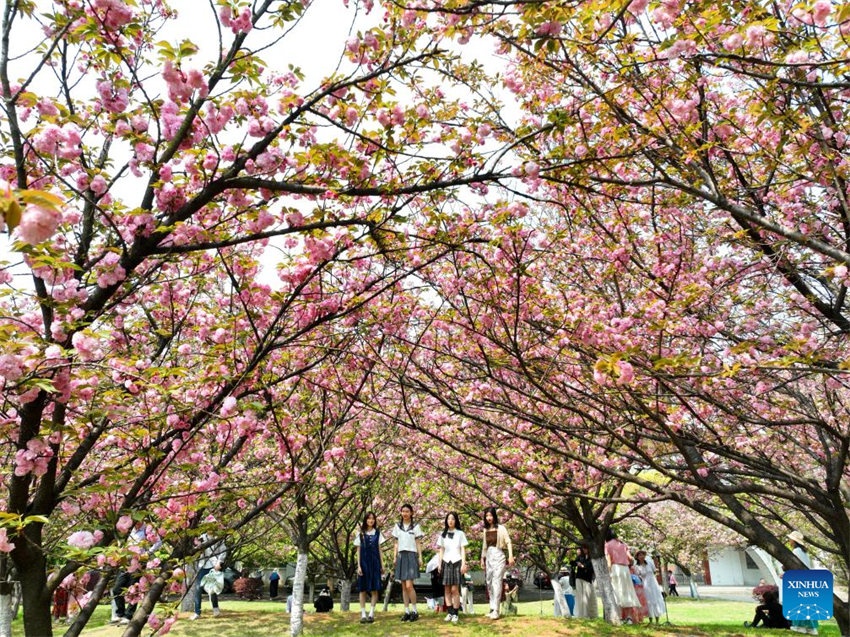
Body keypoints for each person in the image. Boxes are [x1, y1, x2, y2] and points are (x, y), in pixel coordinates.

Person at [111, 520, 162, 625]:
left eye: (138, 521)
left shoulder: (147, 529)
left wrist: (147, 553)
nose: (136, 523)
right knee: (117, 588)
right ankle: (120, 614)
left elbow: (158, 542)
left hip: (139, 561)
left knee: (134, 589)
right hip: (126, 561)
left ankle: (128, 615)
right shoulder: (129, 529)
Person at [480, 506, 514, 620]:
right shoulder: (485, 530)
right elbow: (484, 546)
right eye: (487, 516)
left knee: (497, 581)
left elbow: (508, 542)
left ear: (494, 516)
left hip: (499, 556)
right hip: (489, 557)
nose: (489, 518)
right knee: (489, 582)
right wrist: (482, 559)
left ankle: (496, 610)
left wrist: (510, 556)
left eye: (490, 515)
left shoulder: (501, 528)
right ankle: (491, 607)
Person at [392, 503, 424, 623]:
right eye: (403, 511)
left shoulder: (415, 526)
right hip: (401, 555)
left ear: (411, 513)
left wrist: (420, 557)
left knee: (410, 586)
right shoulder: (397, 526)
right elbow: (395, 543)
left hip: (411, 555)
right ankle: (406, 611)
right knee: (404, 587)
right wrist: (395, 557)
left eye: (407, 511)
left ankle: (414, 611)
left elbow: (418, 543)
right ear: (401, 513)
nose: (405, 513)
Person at [355, 511, 386, 624]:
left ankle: (371, 613)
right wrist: (358, 566)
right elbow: (358, 550)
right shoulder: (360, 533)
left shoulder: (378, 533)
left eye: (373, 518)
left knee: (374, 589)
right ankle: (363, 614)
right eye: (369, 518)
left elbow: (380, 550)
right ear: (365, 520)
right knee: (362, 589)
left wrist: (382, 565)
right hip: (363, 564)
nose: (371, 520)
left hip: (375, 564)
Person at [437, 512, 468, 624]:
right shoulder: (442, 534)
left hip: (457, 562)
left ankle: (455, 613)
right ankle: (449, 613)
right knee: (446, 589)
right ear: (446, 521)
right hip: (446, 562)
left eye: (453, 519)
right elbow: (441, 550)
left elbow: (463, 549)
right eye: (449, 519)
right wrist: (439, 564)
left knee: (455, 590)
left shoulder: (460, 533)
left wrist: (463, 564)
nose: (450, 521)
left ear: (456, 521)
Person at [788, 531, 818, 635]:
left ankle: (800, 626)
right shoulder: (804, 552)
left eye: (790, 539)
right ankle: (810, 628)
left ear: (794, 541)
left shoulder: (796, 551)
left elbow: (794, 566)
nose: (789, 540)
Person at [605, 529, 641, 617]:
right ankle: (628, 617)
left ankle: (619, 616)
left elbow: (608, 560)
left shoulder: (607, 545)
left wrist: (608, 572)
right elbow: (631, 558)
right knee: (627, 592)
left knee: (616, 592)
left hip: (615, 568)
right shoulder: (623, 544)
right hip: (625, 569)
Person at [190, 533, 225, 620]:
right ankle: (197, 612)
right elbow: (196, 551)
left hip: (213, 565)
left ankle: (215, 608)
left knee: (212, 589)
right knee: (198, 588)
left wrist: (219, 562)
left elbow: (223, 550)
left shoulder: (218, 537)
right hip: (202, 565)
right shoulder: (201, 537)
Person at [634, 551, 665, 623]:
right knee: (648, 600)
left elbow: (655, 571)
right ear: (637, 557)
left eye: (643, 555)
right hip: (645, 584)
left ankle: (657, 619)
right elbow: (638, 576)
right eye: (640, 555)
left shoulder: (649, 563)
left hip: (653, 583)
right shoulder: (637, 566)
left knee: (655, 598)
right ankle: (650, 619)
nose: (642, 556)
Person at [571, 545, 597, 618]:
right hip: (579, 577)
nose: (584, 549)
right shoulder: (580, 556)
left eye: (585, 548)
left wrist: (583, 566)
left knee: (587, 597)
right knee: (579, 597)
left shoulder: (592, 557)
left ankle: (587, 614)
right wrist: (576, 563)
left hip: (587, 579)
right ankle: (579, 614)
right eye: (583, 548)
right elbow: (572, 563)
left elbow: (591, 568)